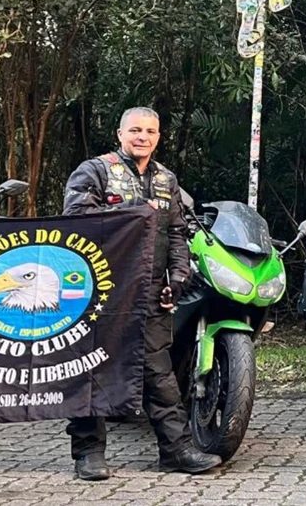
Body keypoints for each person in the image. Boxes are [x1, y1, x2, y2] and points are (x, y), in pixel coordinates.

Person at [62, 107, 221, 480]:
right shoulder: (95, 170)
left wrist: (178, 277)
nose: (142, 137)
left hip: (150, 288)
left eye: (150, 131)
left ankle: (176, 450)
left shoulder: (167, 179)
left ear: (158, 137)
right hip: (99, 287)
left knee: (158, 372)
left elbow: (178, 233)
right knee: (91, 368)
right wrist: (136, 209)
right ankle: (89, 453)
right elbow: (76, 216)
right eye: (135, 130)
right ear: (120, 134)